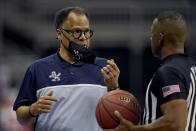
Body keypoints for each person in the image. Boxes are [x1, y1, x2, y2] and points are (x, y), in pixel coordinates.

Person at [13, 7, 120, 131]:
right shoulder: (37, 68)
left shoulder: (105, 68)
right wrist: (32, 110)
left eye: (86, 32)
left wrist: (113, 89)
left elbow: (117, 116)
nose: (83, 37)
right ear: (59, 34)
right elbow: (21, 118)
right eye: (76, 32)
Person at [113, 11, 196, 131]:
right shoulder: (192, 68)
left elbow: (175, 123)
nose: (151, 38)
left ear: (161, 37)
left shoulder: (169, 72)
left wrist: (134, 130)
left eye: (152, 33)